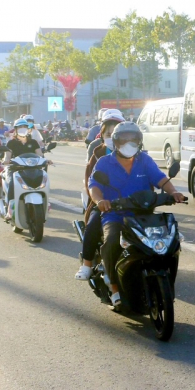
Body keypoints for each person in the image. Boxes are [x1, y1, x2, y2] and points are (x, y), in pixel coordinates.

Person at [87, 122, 184, 310]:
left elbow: (161, 180)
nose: (128, 143)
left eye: (133, 140)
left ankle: (165, 284)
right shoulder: (105, 162)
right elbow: (94, 187)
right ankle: (114, 288)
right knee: (112, 241)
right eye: (124, 140)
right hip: (115, 216)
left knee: (170, 241)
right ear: (116, 142)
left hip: (143, 215)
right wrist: (100, 201)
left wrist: (174, 193)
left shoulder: (144, 160)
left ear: (139, 142)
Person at [74, 109, 125, 281]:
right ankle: (87, 263)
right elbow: (91, 181)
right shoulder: (97, 154)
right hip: (105, 203)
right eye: (108, 133)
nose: (111, 136)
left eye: (115, 132)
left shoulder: (135, 153)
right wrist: (99, 199)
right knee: (95, 223)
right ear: (102, 134)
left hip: (131, 202)